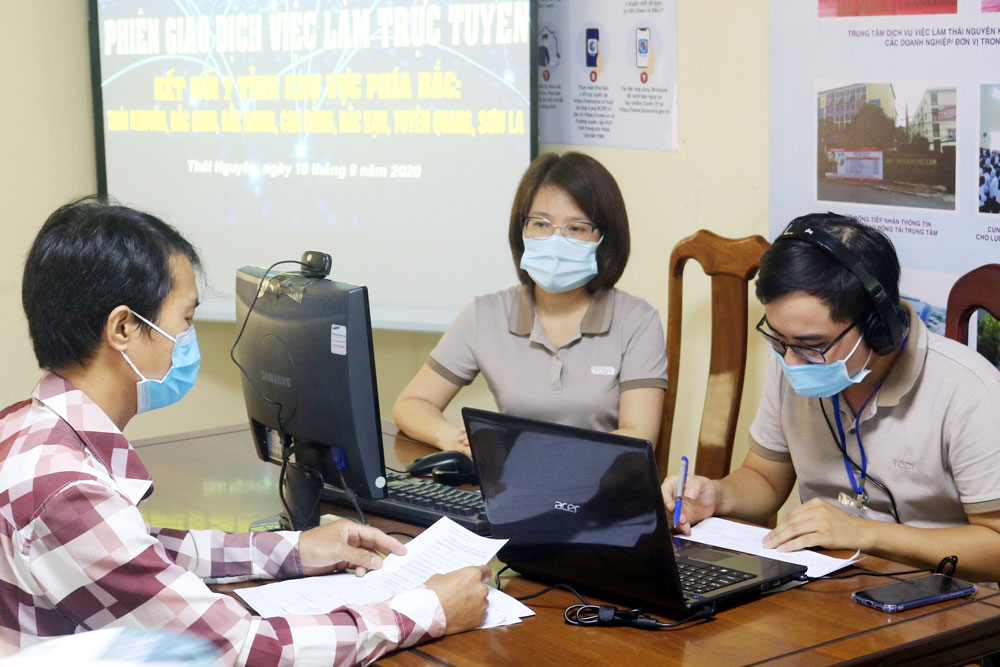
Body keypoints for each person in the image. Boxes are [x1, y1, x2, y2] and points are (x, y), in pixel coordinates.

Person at [0, 197, 490, 664]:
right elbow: (240, 648)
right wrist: (425, 611)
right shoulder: (65, 492)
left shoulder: (25, 429)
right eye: (185, 320)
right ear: (123, 328)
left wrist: (292, 550)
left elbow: (138, 557)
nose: (187, 341)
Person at [662, 212, 1000, 583]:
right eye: (778, 339)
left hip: (947, 610)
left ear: (877, 326)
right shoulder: (793, 361)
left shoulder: (970, 391)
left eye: (813, 346)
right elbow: (764, 477)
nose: (790, 361)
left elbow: (995, 547)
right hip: (833, 588)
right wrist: (717, 496)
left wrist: (863, 533)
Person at [393, 152, 668, 456]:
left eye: (576, 228)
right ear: (521, 230)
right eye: (540, 224)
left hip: (600, 489)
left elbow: (639, 435)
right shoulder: (486, 314)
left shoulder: (637, 320)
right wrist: (451, 438)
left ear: (604, 239)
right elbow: (411, 404)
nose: (555, 239)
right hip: (510, 490)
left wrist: (544, 460)